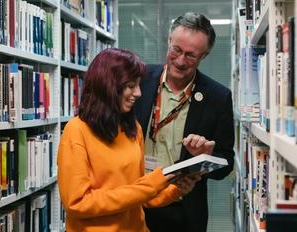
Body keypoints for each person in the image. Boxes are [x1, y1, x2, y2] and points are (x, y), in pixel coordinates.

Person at [57, 48, 201, 232]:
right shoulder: (76, 131)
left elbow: (142, 196)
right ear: (108, 86)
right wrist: (152, 183)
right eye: (131, 86)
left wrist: (176, 190)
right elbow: (77, 203)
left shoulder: (133, 128)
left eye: (139, 85)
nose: (139, 93)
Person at [134, 12, 235, 232]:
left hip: (183, 210)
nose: (180, 61)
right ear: (169, 41)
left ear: (204, 56)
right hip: (134, 202)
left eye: (191, 55)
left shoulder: (218, 98)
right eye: (176, 50)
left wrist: (205, 157)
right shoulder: (137, 78)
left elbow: (226, 163)